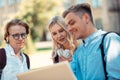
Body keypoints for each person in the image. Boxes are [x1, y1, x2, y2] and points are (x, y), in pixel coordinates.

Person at [62, 3, 120, 80]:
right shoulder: (78, 51)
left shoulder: (109, 39)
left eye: (72, 23)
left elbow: (116, 77)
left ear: (86, 18)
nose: (69, 29)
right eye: (67, 26)